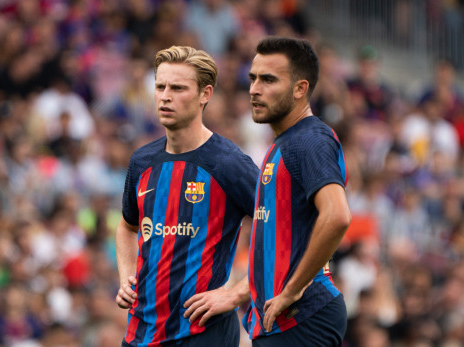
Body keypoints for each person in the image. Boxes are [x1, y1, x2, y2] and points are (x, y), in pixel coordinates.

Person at [115, 45, 258, 346]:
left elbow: (285, 229)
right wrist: (127, 277)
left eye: (178, 88)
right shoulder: (141, 161)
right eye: (160, 86)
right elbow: (127, 226)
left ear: (205, 94)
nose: (165, 96)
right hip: (140, 332)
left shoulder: (228, 163)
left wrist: (236, 294)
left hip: (203, 333)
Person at [243, 36, 352, 346]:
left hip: (302, 316)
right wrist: (239, 291)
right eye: (253, 78)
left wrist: (290, 291)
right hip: (282, 320)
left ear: (300, 88)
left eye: (268, 80)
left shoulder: (309, 140)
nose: (254, 89)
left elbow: (337, 215)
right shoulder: (284, 144)